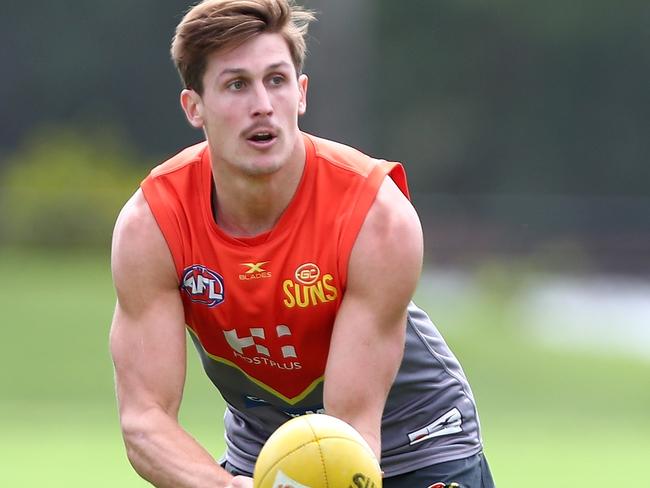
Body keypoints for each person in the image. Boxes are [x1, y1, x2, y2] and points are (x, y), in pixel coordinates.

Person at [109, 1, 495, 487]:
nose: (263, 105)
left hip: (413, 444)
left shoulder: (377, 216)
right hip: (265, 455)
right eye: (236, 85)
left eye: (276, 80)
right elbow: (145, 421)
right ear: (194, 107)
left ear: (301, 93)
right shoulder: (153, 225)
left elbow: (351, 426)